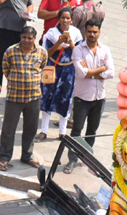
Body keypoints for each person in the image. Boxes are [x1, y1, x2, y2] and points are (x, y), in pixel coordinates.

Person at [0, 25, 45, 170]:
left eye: (30, 38)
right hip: (14, 97)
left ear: (34, 39)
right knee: (8, 129)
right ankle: (4, 158)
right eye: (24, 37)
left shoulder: (42, 53)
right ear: (20, 37)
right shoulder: (10, 51)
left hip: (34, 97)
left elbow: (43, 68)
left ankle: (27, 155)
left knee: (31, 129)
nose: (27, 40)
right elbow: (5, 69)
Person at [66, 19, 113, 154]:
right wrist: (102, 68)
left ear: (99, 33)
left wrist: (91, 73)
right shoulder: (78, 50)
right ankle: (72, 159)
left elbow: (111, 73)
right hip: (82, 98)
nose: (92, 34)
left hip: (99, 98)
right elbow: (81, 73)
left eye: (95, 32)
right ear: (85, 32)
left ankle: (86, 159)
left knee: (91, 132)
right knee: (76, 131)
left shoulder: (105, 50)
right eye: (89, 32)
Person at [38, 8, 81, 140]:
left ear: (72, 20)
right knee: (47, 97)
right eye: (63, 18)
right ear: (59, 19)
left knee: (66, 98)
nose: (65, 21)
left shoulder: (76, 33)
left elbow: (78, 54)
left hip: (68, 71)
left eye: (68, 18)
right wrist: (58, 42)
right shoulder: (51, 33)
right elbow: (46, 53)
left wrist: (71, 43)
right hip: (53, 69)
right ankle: (44, 130)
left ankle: (62, 132)